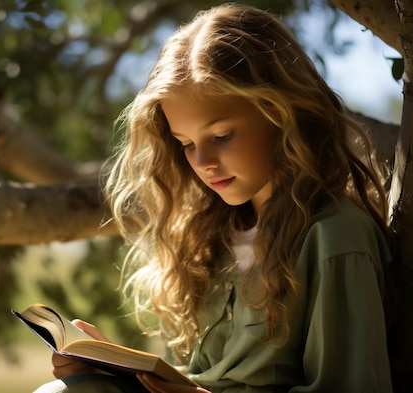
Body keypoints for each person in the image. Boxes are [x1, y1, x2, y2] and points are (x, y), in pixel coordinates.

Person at [34, 3, 394, 392]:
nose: (202, 162)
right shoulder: (208, 237)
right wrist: (121, 372)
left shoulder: (335, 236)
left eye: (221, 136)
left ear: (282, 113)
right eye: (186, 144)